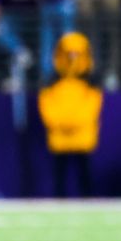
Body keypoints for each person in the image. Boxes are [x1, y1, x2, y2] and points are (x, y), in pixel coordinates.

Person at [38, 32, 102, 197]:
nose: (73, 58)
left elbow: (92, 107)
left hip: (82, 136)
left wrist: (74, 122)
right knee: (59, 176)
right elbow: (46, 105)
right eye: (69, 53)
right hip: (60, 137)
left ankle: (88, 203)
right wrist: (60, 122)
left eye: (76, 54)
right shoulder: (52, 80)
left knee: (85, 174)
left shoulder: (91, 81)